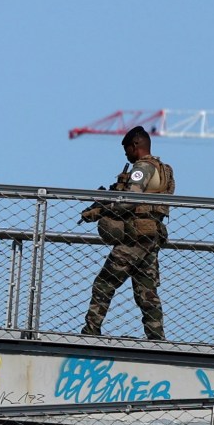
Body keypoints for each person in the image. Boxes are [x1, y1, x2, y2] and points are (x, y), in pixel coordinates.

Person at [82, 125, 175, 340]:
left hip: (135, 237)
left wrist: (103, 208)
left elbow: (130, 201)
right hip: (151, 237)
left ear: (136, 145)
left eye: (127, 149)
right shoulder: (163, 168)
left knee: (104, 283)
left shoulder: (142, 168)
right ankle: (156, 338)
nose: (126, 154)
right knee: (146, 293)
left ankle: (91, 331)